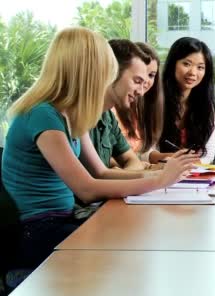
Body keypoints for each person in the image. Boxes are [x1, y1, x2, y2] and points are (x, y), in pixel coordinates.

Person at [1, 28, 200, 268]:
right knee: (127, 248)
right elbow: (87, 189)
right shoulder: (44, 116)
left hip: (61, 219)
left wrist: (161, 174)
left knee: (137, 237)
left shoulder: (70, 114)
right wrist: (159, 181)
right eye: (107, 71)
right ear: (88, 72)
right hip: (37, 230)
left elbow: (101, 172)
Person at [88, 39, 152, 170]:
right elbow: (96, 177)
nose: (141, 92)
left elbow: (133, 161)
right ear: (113, 72)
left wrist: (122, 173)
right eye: (137, 81)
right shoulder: (78, 116)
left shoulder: (108, 117)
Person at [152, 37, 215, 164]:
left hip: (193, 176)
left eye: (200, 67)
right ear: (173, 64)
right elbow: (145, 152)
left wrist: (189, 163)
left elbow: (208, 155)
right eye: (186, 64)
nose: (193, 72)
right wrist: (170, 158)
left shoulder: (208, 108)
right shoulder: (153, 101)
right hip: (157, 172)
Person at [113, 42, 163, 163]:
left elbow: (136, 155)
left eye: (151, 75)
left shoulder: (143, 107)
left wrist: (164, 158)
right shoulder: (110, 110)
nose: (145, 81)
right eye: (138, 78)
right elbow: (109, 162)